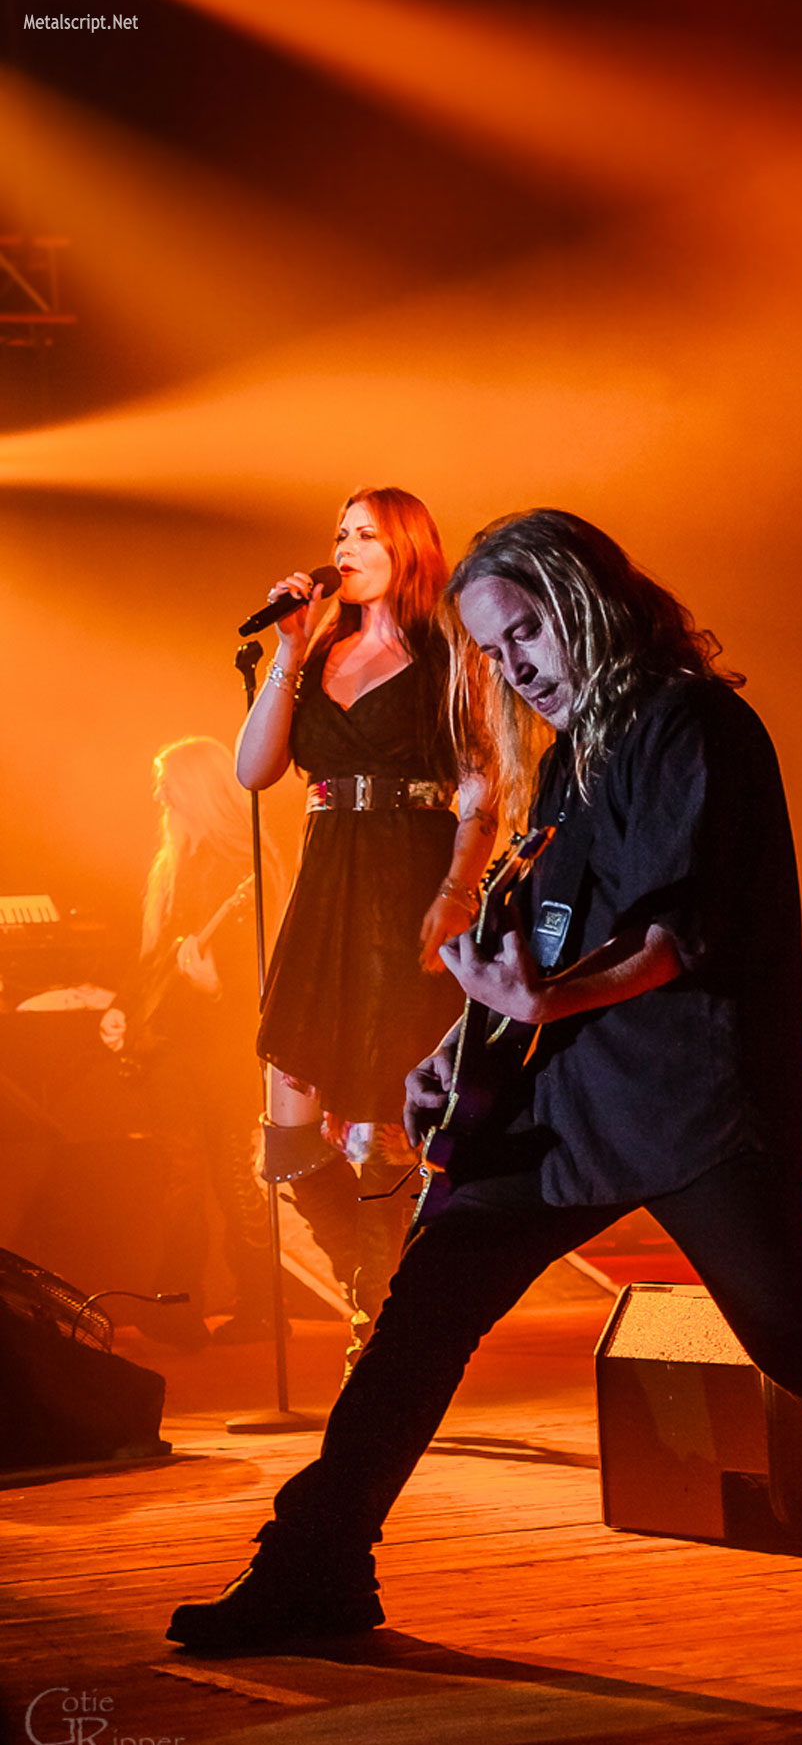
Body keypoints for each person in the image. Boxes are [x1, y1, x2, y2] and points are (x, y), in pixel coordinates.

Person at [167, 509, 802, 1650]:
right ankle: (314, 1565)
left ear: (588, 602)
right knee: (422, 1317)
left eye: (527, 631)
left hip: (693, 1093)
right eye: (494, 649)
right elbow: (543, 926)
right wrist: (457, 1045)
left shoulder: (695, 724)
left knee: (788, 1334)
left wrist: (546, 1002)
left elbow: (676, 932)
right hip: (563, 1097)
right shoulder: (570, 754)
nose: (515, 666)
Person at [236, 487, 497, 1355]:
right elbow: (253, 770)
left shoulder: (450, 653)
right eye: (340, 534)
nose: (344, 549)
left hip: (407, 880)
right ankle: (368, 1285)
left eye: (365, 536)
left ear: (408, 549)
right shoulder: (315, 650)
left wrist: (456, 890)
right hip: (327, 889)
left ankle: (381, 1331)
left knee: (388, 1125)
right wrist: (290, 648)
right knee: (289, 1128)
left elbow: (481, 784)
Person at [102, 735, 280, 1348]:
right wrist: (123, 1009)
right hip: (172, 1044)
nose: (159, 796)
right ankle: (177, 1306)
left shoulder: (247, 868)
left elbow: (271, 964)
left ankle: (260, 1304)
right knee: (179, 1173)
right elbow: (156, 957)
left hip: (226, 1043)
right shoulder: (174, 864)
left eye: (168, 784)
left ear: (199, 790)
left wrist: (218, 988)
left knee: (235, 1176)